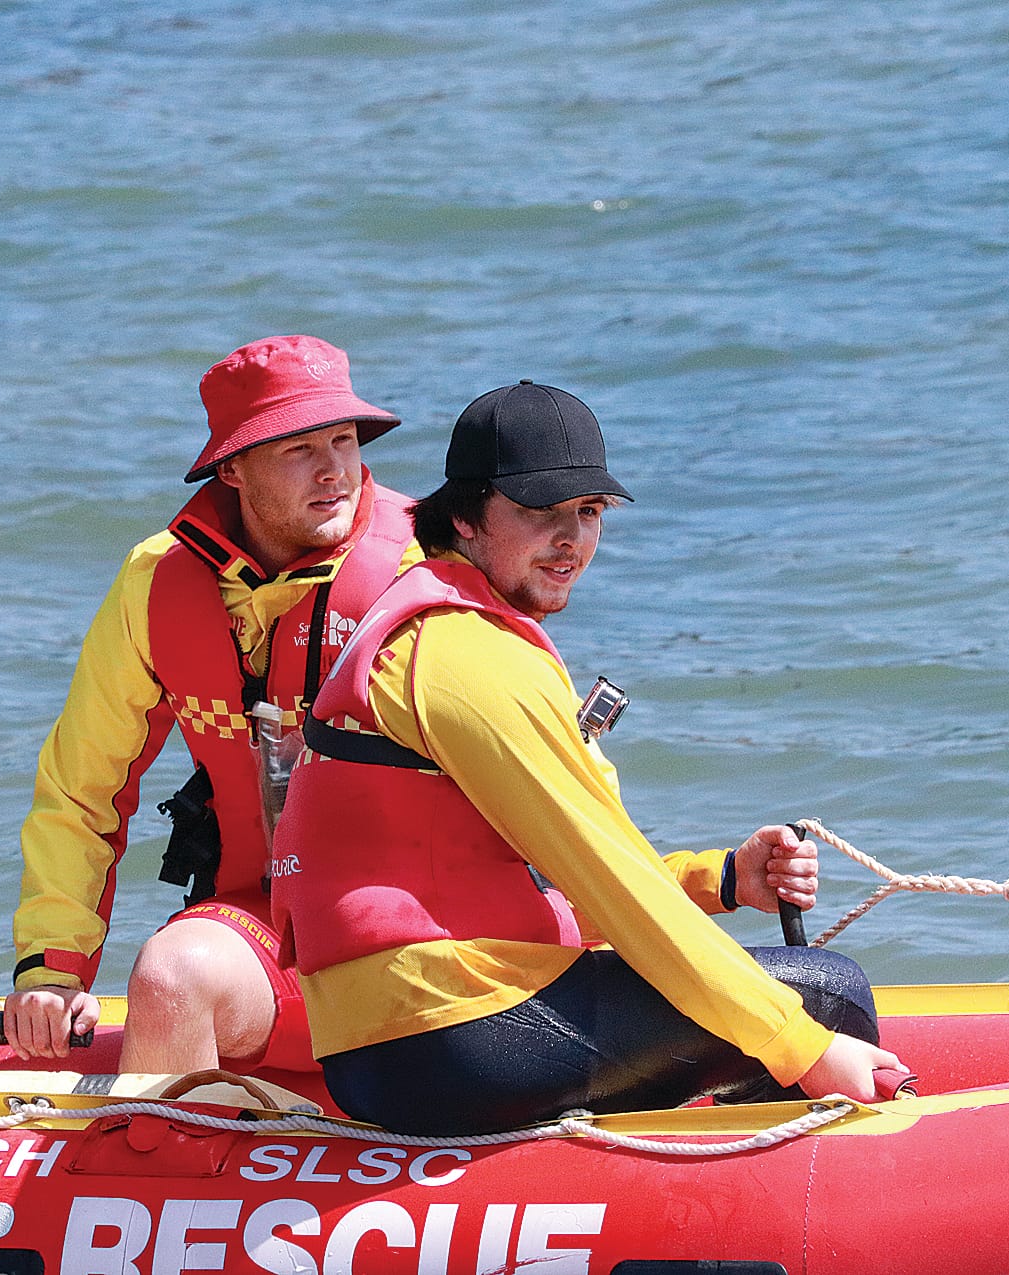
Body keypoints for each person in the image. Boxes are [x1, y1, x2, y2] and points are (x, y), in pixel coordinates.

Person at [270, 380, 903, 1134]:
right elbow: (613, 887)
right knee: (825, 993)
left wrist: (724, 878)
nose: (570, 538)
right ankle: (756, 1213)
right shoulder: (465, 656)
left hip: (400, 1036)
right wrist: (803, 1046)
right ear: (467, 514)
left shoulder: (438, 620)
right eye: (541, 512)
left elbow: (568, 873)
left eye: (589, 511)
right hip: (443, 1033)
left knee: (782, 1002)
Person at [7, 335, 420, 1074]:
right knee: (170, 975)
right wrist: (51, 967)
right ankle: (160, 1171)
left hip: (429, 940)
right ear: (232, 467)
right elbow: (80, 789)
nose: (335, 470)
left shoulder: (424, 568)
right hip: (259, 934)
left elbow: (541, 779)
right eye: (299, 449)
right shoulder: (154, 581)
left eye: (344, 439)